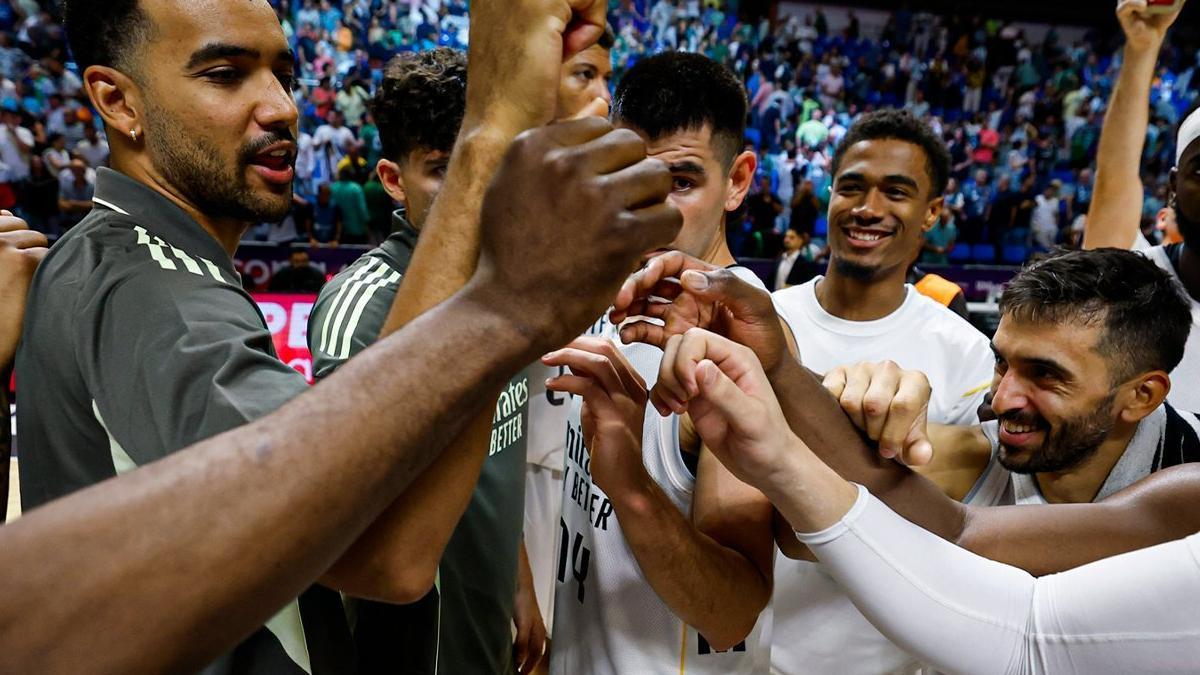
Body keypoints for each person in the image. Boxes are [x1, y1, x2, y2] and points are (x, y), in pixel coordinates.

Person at [16, 0, 679, 673]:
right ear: (116, 101)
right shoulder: (148, 288)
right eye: (224, 74)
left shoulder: (144, 266)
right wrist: (491, 130)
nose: (279, 108)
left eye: (284, 74)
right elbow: (387, 549)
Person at [612, 248, 1200, 673]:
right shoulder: (980, 447)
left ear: (1141, 397)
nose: (1002, 399)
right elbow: (839, 505)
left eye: (1045, 375)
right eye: (1003, 364)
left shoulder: (1185, 492)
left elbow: (960, 532)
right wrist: (776, 363)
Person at [308, 47, 542, 675]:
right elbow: (349, 526)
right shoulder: (362, 308)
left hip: (485, 624)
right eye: (445, 169)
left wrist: (516, 580)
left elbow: (487, 462)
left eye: (491, 167)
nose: (476, 192)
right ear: (392, 177)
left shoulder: (505, 287)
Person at [546, 52, 776, 675]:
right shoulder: (604, 292)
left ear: (737, 179)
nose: (651, 206)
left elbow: (731, 616)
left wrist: (629, 487)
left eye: (680, 181)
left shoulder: (739, 347)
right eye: (632, 177)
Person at [768, 109, 993, 674]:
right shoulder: (767, 321)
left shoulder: (965, 352)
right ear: (829, 198)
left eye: (896, 192)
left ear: (931, 214)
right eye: (852, 187)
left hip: (882, 661)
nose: (868, 208)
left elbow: (960, 521)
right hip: (744, 649)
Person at [1083, 0, 1200, 413]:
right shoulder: (1135, 281)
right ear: (1172, 186)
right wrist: (1141, 48)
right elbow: (1114, 180)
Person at [329, 165, 369, 245]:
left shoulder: (332, 188)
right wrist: (367, 224)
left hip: (336, 231)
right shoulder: (356, 188)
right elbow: (362, 210)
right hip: (356, 230)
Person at [56, 157, 94, 230]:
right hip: (70, 223)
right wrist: (84, 206)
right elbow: (62, 205)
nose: (77, 172)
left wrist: (73, 204)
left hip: (88, 223)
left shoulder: (93, 187)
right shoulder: (66, 187)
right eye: (75, 170)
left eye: (80, 170)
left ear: (84, 171)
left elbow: (94, 205)